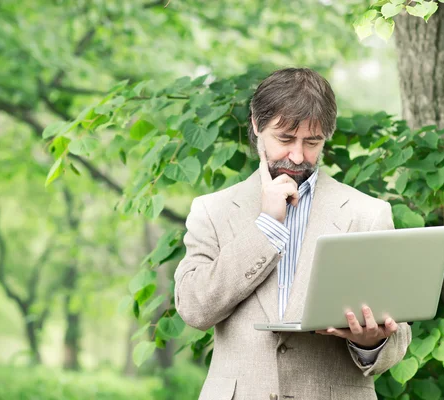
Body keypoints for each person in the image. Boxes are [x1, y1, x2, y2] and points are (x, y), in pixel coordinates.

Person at [173, 68, 411, 400]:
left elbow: (398, 332)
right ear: (256, 125)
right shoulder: (213, 211)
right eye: (284, 139)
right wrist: (266, 228)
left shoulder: (368, 214)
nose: (297, 156)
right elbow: (195, 309)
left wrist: (371, 342)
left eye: (312, 143)